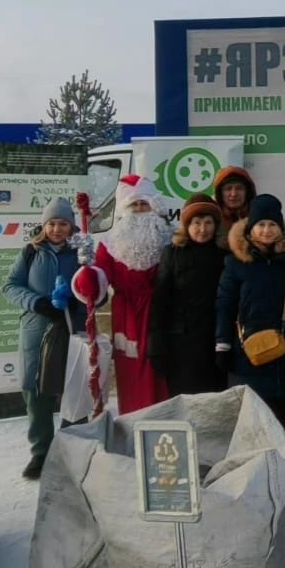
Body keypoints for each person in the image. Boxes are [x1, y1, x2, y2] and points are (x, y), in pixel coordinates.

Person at [2, 197, 86, 480]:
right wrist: (36, 303)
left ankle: (74, 445)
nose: (57, 229)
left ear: (71, 226)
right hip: (37, 328)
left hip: (72, 328)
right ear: (44, 225)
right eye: (52, 223)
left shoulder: (81, 251)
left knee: (73, 386)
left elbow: (96, 284)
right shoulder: (31, 251)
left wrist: (82, 301)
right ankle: (41, 451)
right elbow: (10, 286)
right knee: (34, 387)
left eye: (63, 223)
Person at [76, 174, 171, 415]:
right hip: (127, 314)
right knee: (131, 375)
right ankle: (134, 427)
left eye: (144, 204)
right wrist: (89, 278)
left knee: (161, 373)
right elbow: (101, 273)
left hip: (161, 313)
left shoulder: (169, 236)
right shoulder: (109, 243)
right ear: (124, 210)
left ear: (153, 206)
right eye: (134, 205)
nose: (139, 210)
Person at [215, 193, 285, 422]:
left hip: (282, 350)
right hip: (245, 352)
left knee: (276, 417)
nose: (266, 230)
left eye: (272, 225)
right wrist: (222, 345)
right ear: (250, 228)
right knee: (250, 417)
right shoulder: (236, 263)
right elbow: (224, 304)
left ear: (280, 228)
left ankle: (276, 458)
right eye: (260, 224)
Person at [147, 193, 227, 398]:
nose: (203, 229)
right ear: (187, 225)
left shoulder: (224, 254)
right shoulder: (173, 253)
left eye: (208, 222)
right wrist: (156, 344)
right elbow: (161, 301)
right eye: (197, 222)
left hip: (215, 344)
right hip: (181, 345)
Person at [211, 165, 257, 251]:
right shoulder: (212, 221)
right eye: (228, 189)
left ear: (247, 192)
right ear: (219, 194)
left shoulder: (258, 218)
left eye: (239, 188)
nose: (234, 194)